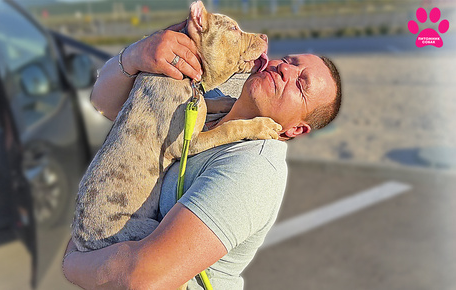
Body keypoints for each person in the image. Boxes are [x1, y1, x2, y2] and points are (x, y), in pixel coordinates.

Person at [62, 21, 342, 290]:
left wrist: (73, 261)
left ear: (295, 130)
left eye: (301, 85)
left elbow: (144, 279)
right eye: (290, 61)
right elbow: (105, 104)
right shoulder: (206, 101)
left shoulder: (255, 167)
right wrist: (137, 54)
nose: (285, 71)